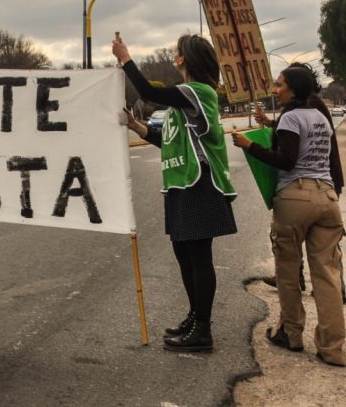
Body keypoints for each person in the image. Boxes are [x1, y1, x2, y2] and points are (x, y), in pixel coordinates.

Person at [114, 32, 237, 353]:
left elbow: (147, 91)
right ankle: (195, 316)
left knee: (199, 257)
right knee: (185, 256)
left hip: (200, 184)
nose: (173, 53)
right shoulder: (184, 102)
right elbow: (167, 141)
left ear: (184, 58)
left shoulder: (199, 91)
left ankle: (203, 330)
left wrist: (125, 59)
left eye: (177, 50)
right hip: (181, 185)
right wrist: (137, 127)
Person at [231, 65, 346, 366]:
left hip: (295, 198)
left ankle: (291, 333)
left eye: (279, 84)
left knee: (288, 270)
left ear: (293, 89)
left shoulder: (291, 117)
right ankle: (333, 348)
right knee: (327, 275)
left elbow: (286, 160)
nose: (275, 89)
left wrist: (249, 145)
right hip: (327, 199)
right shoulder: (319, 117)